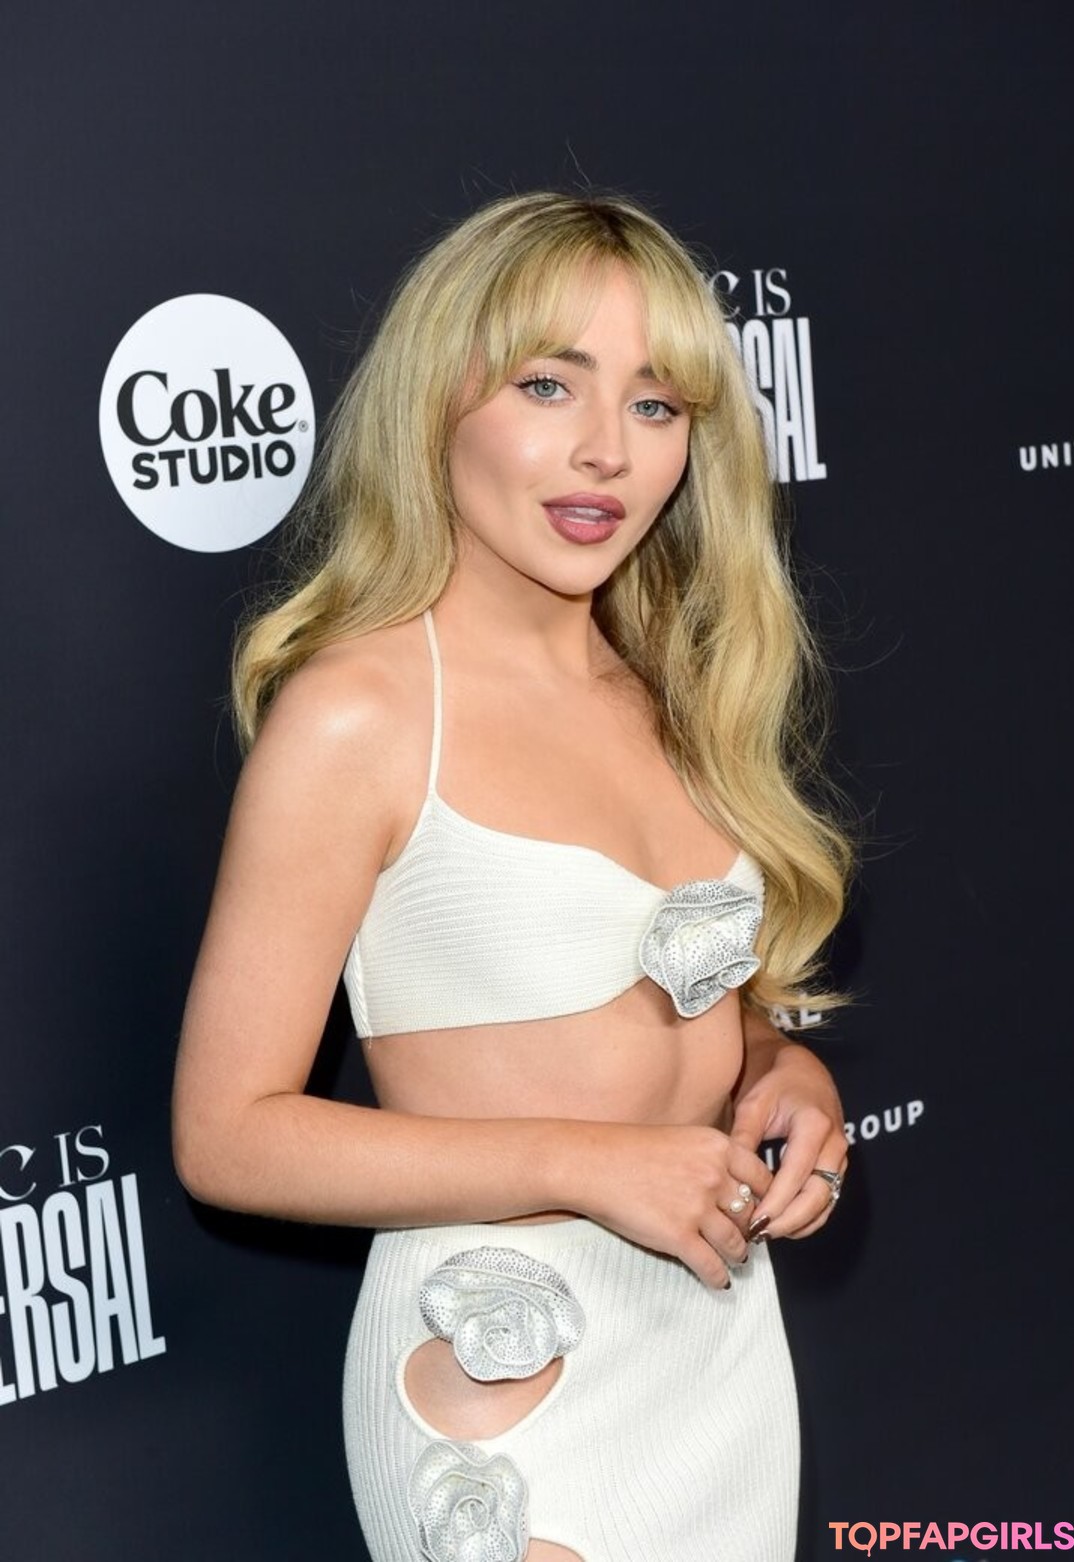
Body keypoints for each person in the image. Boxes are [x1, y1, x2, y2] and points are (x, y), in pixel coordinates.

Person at [172, 189, 855, 1562]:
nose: (607, 448)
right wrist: (586, 1165)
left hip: (714, 1336)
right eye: (550, 384)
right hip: (502, 1372)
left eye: (655, 404)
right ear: (439, 399)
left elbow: (677, 997)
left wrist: (782, 1069)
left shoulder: (674, 682)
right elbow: (228, 1135)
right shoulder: (362, 716)